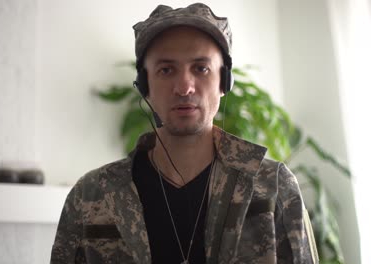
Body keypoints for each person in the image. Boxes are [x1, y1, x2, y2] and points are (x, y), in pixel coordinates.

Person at [51, 3, 319, 264]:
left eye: (201, 68)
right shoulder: (91, 195)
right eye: (166, 70)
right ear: (145, 85)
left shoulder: (273, 187)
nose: (184, 87)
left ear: (225, 81)